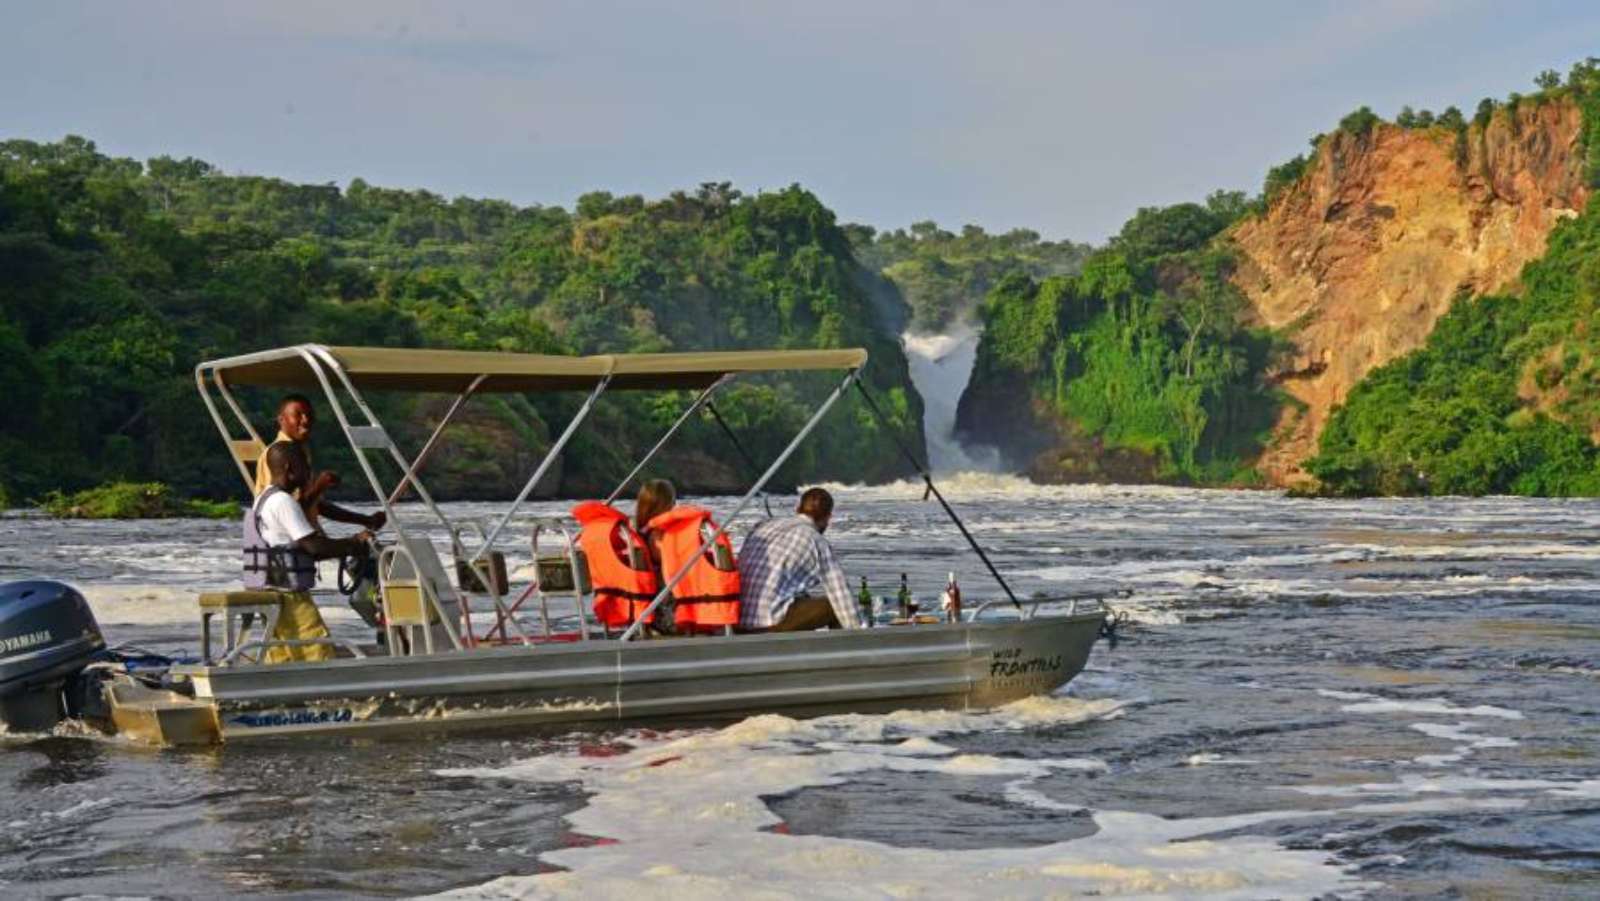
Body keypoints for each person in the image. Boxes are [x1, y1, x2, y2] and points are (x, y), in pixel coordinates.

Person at [244, 442, 374, 663]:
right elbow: (314, 547)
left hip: (272, 590)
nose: (309, 472)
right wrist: (354, 543)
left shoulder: (263, 498)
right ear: (288, 467)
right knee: (317, 648)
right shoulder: (283, 502)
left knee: (284, 653)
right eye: (304, 465)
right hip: (290, 596)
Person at [252, 393, 385, 532]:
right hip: (290, 541)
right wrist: (320, 486)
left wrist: (366, 520)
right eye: (298, 415)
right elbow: (287, 508)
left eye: (309, 415)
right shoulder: (280, 453)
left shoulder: (299, 449)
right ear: (282, 420)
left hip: (304, 536)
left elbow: (314, 505)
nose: (305, 420)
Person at [736, 487, 862, 631]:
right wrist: (859, 631)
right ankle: (845, 650)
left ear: (797, 509)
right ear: (828, 518)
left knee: (802, 599)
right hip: (767, 623)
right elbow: (841, 595)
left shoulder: (761, 527)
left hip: (736, 619)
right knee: (833, 607)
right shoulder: (816, 540)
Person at [634, 478, 677, 634]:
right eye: (673, 502)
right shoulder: (657, 535)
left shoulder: (640, 532)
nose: (675, 507)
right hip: (665, 613)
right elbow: (671, 563)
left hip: (650, 610)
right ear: (664, 505)